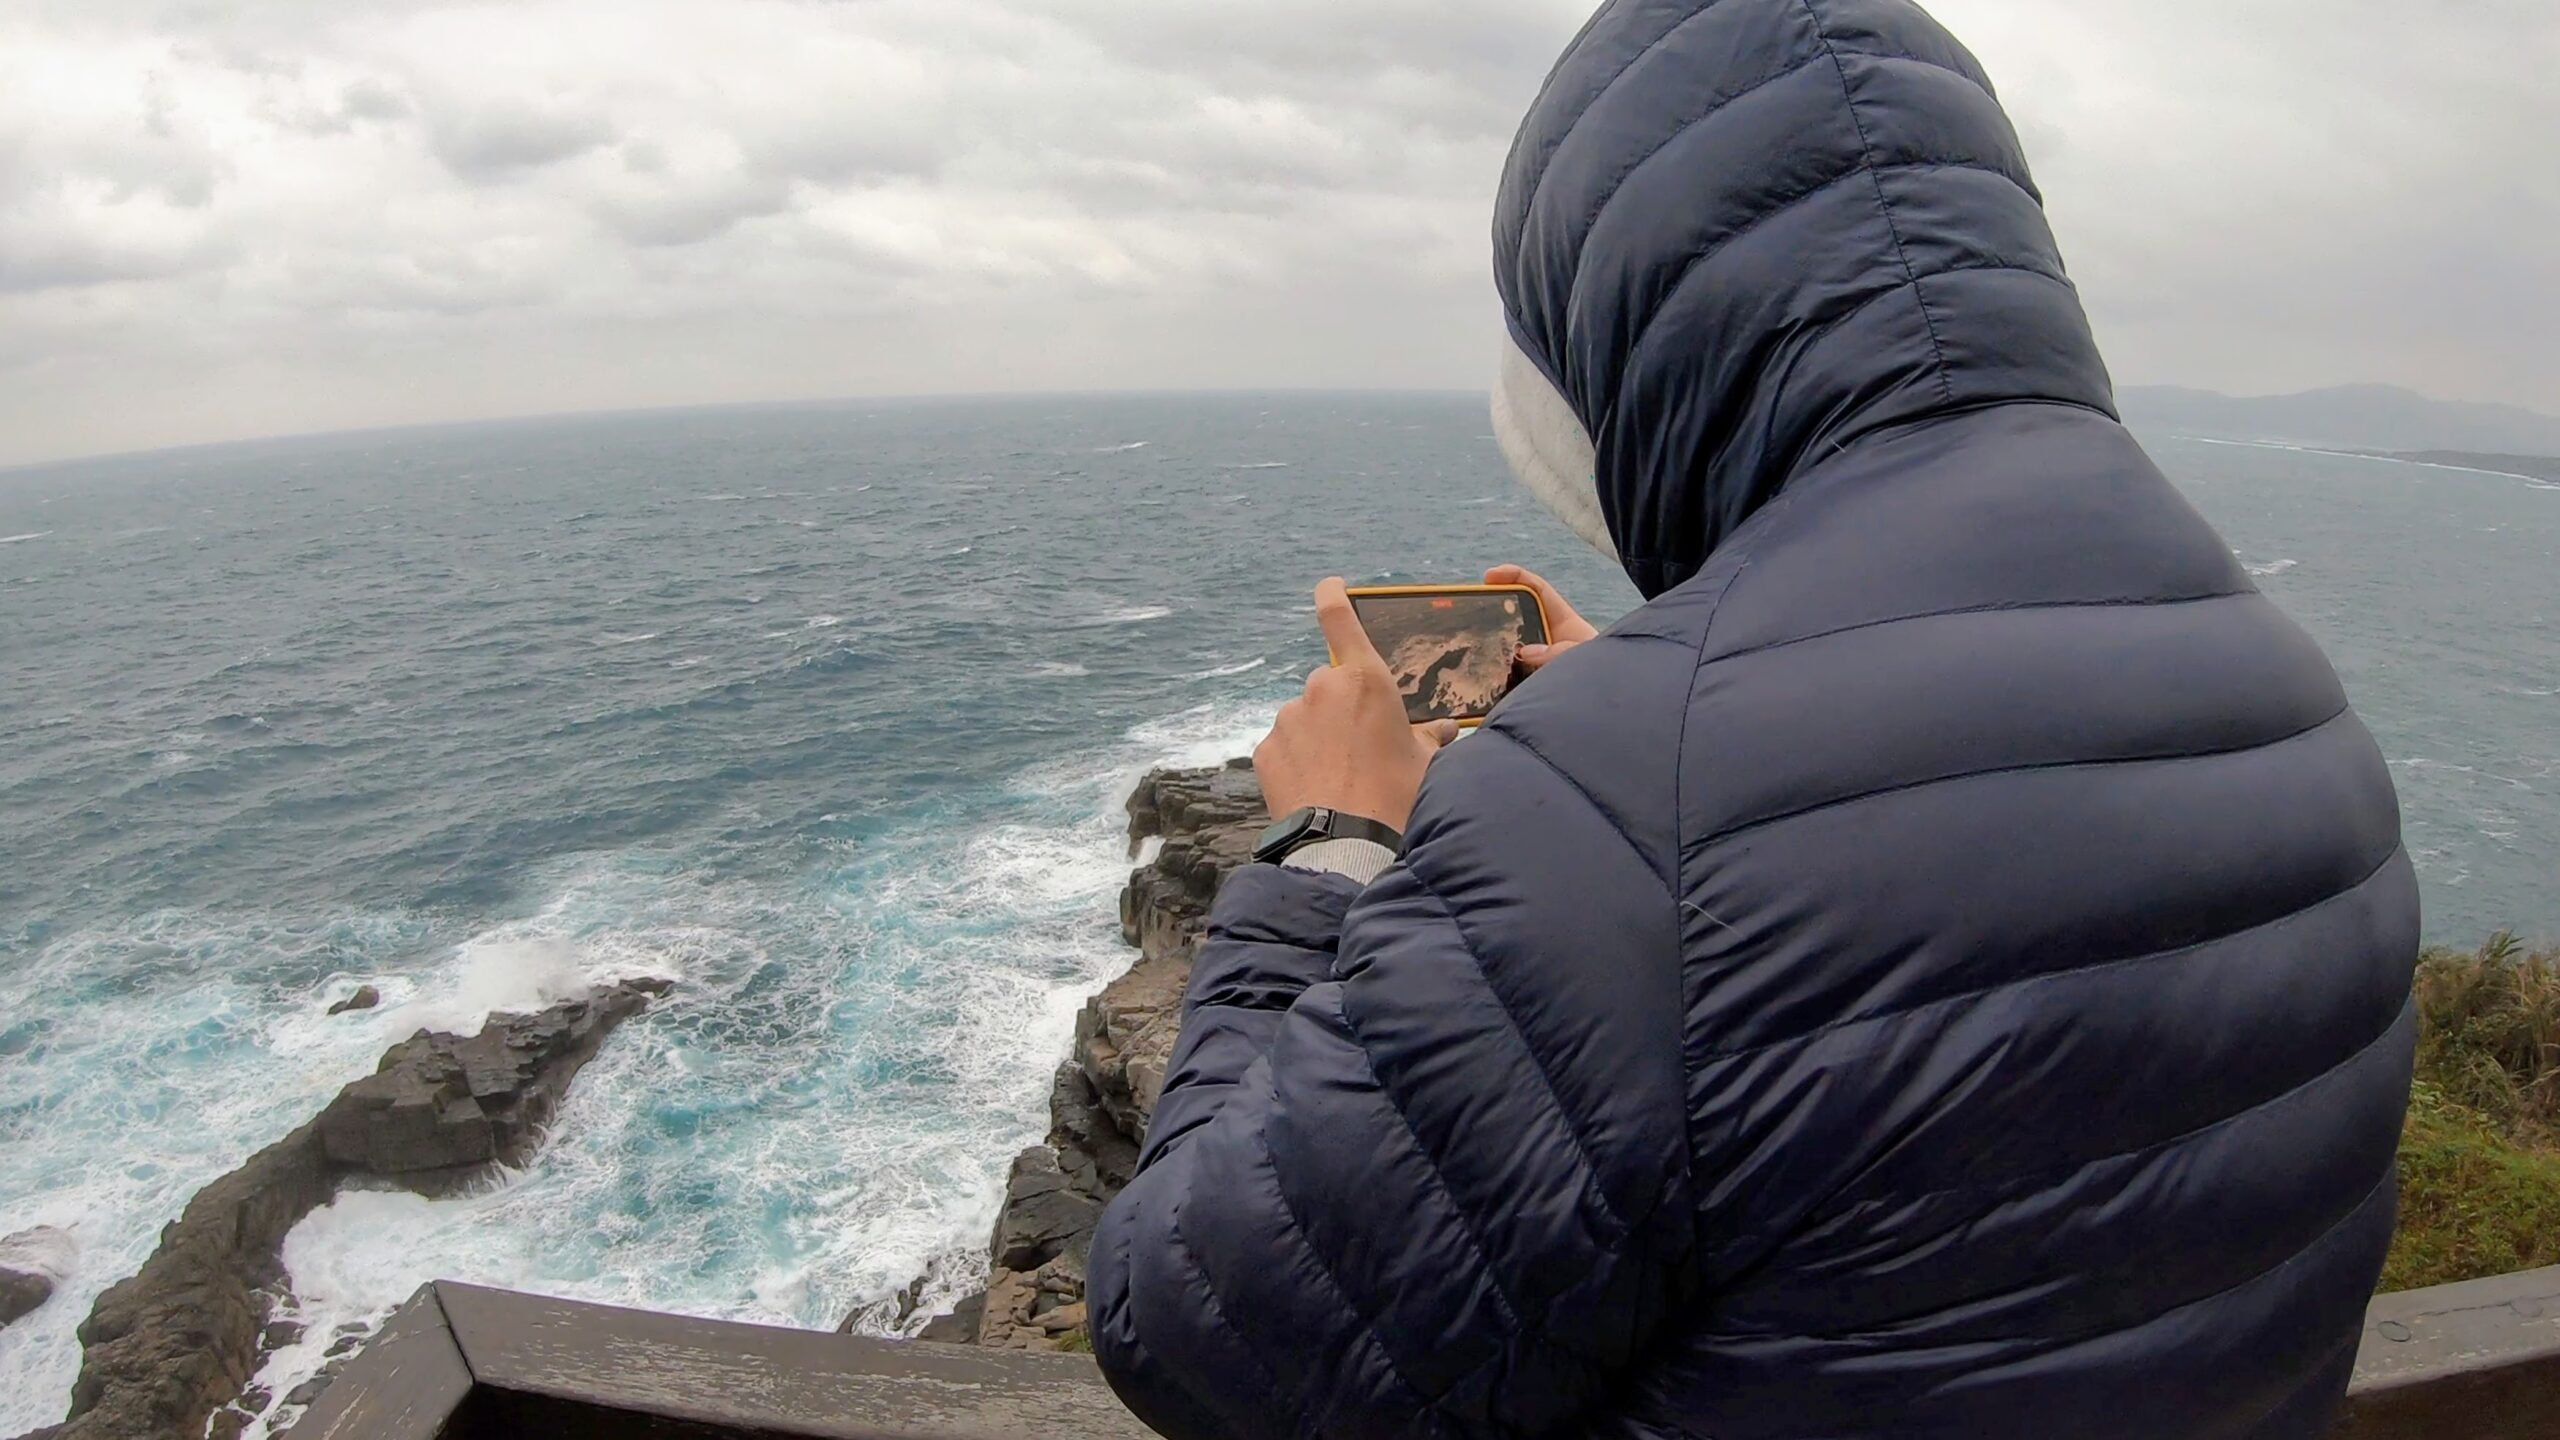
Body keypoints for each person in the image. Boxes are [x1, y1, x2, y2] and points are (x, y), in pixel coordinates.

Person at [1086, 0, 2420, 1435]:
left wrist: (1337, 844)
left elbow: (1209, 1328)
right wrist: (1663, 727)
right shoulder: (2289, 691)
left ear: (1642, 332)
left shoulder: (1642, 795)